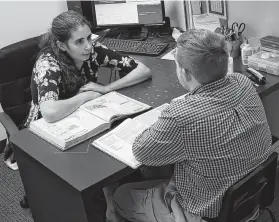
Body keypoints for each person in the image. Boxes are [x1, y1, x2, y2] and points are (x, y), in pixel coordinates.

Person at [104, 29, 272, 222]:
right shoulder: (242, 82)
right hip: (250, 195)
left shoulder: (180, 115)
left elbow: (141, 152)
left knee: (121, 194)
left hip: (206, 212)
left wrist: (163, 121)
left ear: (184, 72)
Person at [3, 10, 151, 170]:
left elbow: (143, 70)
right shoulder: (48, 63)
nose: (88, 46)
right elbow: (50, 113)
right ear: (62, 45)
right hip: (46, 130)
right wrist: (85, 96)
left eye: (89, 37)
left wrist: (107, 88)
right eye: (79, 41)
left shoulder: (93, 50)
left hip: (82, 117)